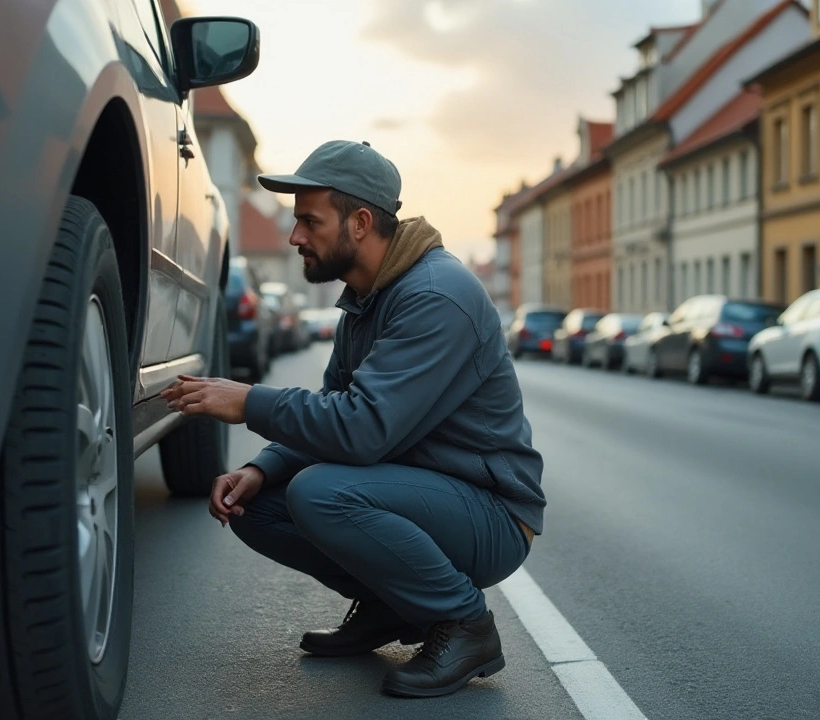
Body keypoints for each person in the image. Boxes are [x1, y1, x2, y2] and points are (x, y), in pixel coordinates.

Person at [160, 140, 545, 699]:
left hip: (492, 512)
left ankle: (465, 624)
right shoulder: (367, 300)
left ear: (360, 222)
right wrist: (263, 469)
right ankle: (393, 607)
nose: (295, 237)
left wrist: (248, 402)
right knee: (255, 506)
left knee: (322, 492)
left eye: (309, 222)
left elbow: (360, 431)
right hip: (422, 493)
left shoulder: (437, 295)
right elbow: (332, 409)